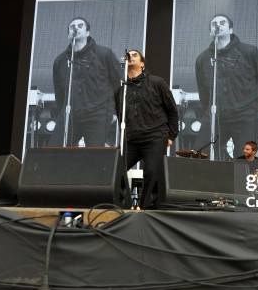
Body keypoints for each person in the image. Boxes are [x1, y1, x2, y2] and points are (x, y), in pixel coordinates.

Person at [195, 14, 258, 159]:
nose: (218, 25)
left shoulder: (250, 52)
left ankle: (249, 175)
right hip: (216, 115)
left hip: (246, 114)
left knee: (244, 156)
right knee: (201, 152)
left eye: (222, 22)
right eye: (214, 24)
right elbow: (203, 91)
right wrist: (206, 113)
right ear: (210, 32)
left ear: (231, 29)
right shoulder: (203, 59)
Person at [116, 49, 178, 208]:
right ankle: (122, 205)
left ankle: (145, 209)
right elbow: (120, 116)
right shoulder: (121, 90)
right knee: (116, 170)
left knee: (151, 171)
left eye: (135, 54)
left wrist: (171, 135)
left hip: (155, 137)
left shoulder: (157, 83)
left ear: (142, 64)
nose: (131, 56)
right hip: (132, 140)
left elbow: (172, 109)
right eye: (128, 55)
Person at [52, 17, 121, 147]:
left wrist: (115, 112)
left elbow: (118, 84)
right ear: (68, 34)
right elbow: (59, 92)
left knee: (93, 156)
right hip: (70, 114)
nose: (75, 28)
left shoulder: (104, 54)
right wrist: (60, 115)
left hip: (97, 114)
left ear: (87, 32)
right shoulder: (60, 61)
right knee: (55, 151)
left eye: (80, 25)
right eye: (72, 26)